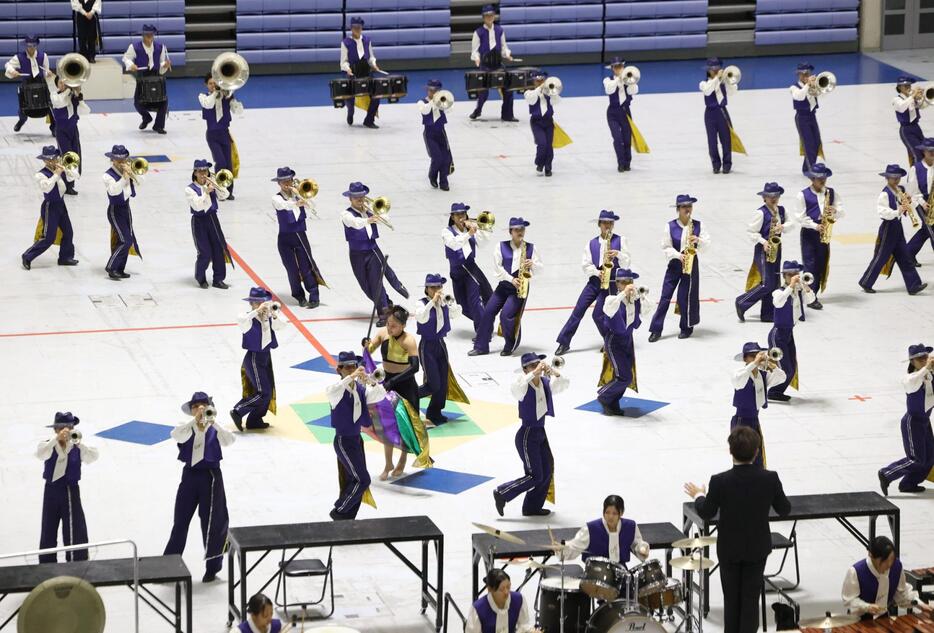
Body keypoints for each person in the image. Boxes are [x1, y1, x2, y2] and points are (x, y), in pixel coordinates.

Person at [684, 426, 791, 633]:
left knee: (731, 602)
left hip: (730, 550)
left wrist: (699, 495)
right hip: (756, 549)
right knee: (750, 602)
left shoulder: (720, 481)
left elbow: (706, 511)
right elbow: (784, 509)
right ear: (757, 452)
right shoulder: (770, 478)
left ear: (730, 451)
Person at [164, 392, 234, 583]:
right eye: (196, 406)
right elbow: (175, 435)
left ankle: (212, 567)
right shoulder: (185, 427)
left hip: (211, 478)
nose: (200, 409)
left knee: (212, 523)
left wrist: (213, 422)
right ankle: (168, 567)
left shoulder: (215, 428)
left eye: (203, 405)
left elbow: (229, 440)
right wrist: (194, 422)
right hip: (190, 477)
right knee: (180, 522)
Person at [493, 353, 568, 517]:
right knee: (534, 475)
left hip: (540, 432)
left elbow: (563, 384)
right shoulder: (523, 386)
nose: (537, 368)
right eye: (532, 366)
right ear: (525, 369)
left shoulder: (545, 383)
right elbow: (516, 388)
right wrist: (533, 374)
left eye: (538, 364)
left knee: (547, 469)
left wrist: (553, 372)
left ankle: (532, 507)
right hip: (527, 435)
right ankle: (502, 492)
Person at [555, 210, 629, 355]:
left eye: (610, 223)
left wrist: (618, 254)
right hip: (594, 281)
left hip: (610, 282)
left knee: (598, 315)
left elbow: (627, 263)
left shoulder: (621, 240)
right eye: (604, 223)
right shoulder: (591, 243)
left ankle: (611, 341)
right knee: (578, 310)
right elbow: (586, 265)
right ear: (599, 224)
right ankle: (564, 342)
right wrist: (597, 272)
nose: (607, 225)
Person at [470, 217, 543, 357]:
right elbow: (497, 269)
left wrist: (532, 264)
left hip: (519, 288)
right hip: (504, 285)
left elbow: (541, 269)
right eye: (516, 229)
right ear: (510, 231)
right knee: (488, 312)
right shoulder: (500, 246)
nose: (520, 232)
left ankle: (510, 344)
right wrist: (511, 279)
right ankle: (481, 346)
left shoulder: (531, 248)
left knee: (506, 316)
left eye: (522, 229)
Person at [326, 352, 385, 521]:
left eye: (354, 365)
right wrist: (352, 376)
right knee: (363, 479)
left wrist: (372, 381)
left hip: (356, 440)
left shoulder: (360, 389)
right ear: (340, 369)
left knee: (355, 478)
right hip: (343, 440)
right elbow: (331, 391)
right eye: (348, 367)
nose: (352, 369)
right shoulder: (336, 391)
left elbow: (380, 394)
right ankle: (340, 510)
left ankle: (349, 514)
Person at [341, 181, 408, 327]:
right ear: (350, 198)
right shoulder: (346, 214)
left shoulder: (370, 209)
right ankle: (387, 303)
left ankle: (384, 313)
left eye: (362, 196)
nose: (360, 200)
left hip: (372, 250)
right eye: (356, 197)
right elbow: (355, 223)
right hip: (356, 253)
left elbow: (387, 219)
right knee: (365, 285)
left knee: (376, 283)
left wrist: (379, 213)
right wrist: (369, 219)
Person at [366, 306, 422, 480]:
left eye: (394, 326)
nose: (390, 328)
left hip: (405, 386)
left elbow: (415, 367)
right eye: (389, 324)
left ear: (403, 326)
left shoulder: (409, 341)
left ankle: (402, 460)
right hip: (387, 384)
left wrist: (393, 382)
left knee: (404, 427)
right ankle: (388, 462)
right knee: (385, 425)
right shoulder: (383, 333)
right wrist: (366, 345)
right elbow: (370, 349)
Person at [37, 411, 98, 563]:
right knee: (48, 528)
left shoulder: (77, 446)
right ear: (55, 430)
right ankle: (46, 563)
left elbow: (92, 457)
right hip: (51, 490)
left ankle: (76, 562)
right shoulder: (48, 444)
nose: (65, 431)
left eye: (68, 427)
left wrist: (78, 443)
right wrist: (56, 440)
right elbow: (40, 454)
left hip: (70, 489)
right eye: (61, 428)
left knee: (74, 528)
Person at [648, 195, 711, 342]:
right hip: (675, 264)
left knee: (685, 297)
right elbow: (665, 246)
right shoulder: (670, 226)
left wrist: (698, 240)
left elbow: (707, 245)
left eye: (689, 206)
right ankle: (656, 329)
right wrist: (678, 255)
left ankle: (686, 327)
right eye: (684, 206)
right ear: (678, 209)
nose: (687, 209)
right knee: (665, 297)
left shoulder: (698, 225)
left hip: (691, 265)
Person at [859, 165, 927, 295]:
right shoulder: (885, 193)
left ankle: (914, 285)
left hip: (898, 227)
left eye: (898, 178)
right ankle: (866, 282)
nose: (896, 180)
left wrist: (909, 203)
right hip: (888, 228)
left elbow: (909, 203)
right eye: (893, 178)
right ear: (887, 178)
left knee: (905, 256)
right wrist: (898, 211)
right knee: (881, 257)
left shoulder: (900, 190)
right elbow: (882, 212)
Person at [878, 344, 934, 495]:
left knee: (930, 458)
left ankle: (908, 483)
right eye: (920, 358)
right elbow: (917, 378)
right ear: (912, 361)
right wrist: (927, 367)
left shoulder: (929, 375)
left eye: (926, 357)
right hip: (913, 422)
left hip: (925, 421)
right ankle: (887, 473)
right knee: (916, 459)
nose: (924, 360)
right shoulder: (910, 379)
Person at [596, 269, 654, 417]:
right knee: (624, 376)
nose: (628, 285)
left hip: (628, 340)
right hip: (614, 341)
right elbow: (609, 309)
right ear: (617, 284)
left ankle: (613, 401)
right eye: (624, 282)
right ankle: (604, 396)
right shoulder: (612, 299)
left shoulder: (634, 300)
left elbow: (648, 312)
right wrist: (623, 294)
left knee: (626, 375)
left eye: (630, 282)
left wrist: (642, 296)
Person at [735, 182, 795, 323]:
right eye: (770, 196)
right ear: (764, 198)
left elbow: (791, 224)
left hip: (776, 248)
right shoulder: (760, 213)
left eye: (776, 196)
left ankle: (767, 314)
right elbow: (751, 232)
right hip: (763, 250)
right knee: (767, 283)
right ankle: (741, 302)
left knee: (774, 283)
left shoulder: (781, 211)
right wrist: (764, 242)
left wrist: (782, 226)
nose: (773, 198)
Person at [230, 287, 287, 431]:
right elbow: (241, 320)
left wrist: (274, 313)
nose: (261, 305)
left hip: (266, 356)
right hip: (254, 358)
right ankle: (238, 410)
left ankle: (255, 419)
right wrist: (257, 311)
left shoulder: (268, 317)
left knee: (268, 390)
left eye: (263, 302)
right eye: (257, 302)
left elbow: (282, 325)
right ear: (252, 304)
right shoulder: (247, 318)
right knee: (263, 392)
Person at [416, 274, 468, 425]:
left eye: (439, 287)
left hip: (440, 344)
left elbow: (457, 313)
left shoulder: (444, 303)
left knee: (443, 382)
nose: (437, 290)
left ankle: (435, 412)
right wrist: (432, 302)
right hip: (427, 346)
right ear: (427, 289)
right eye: (433, 287)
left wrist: (450, 302)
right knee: (433, 384)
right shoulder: (421, 303)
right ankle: (409, 398)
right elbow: (421, 318)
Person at [272, 167, 326, 308]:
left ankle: (314, 296)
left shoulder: (299, 194)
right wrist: (296, 202)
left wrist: (301, 195)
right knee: (292, 269)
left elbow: (313, 207)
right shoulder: (277, 198)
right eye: (283, 181)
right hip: (284, 238)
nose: (287, 183)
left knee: (306, 266)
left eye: (289, 180)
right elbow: (283, 205)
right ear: (279, 183)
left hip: (300, 236)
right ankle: (299, 296)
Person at [842, 536, 931, 617]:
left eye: (891, 559)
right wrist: (867, 607)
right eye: (885, 560)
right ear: (871, 555)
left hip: (883, 618)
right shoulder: (856, 572)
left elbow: (902, 595)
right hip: (859, 621)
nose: (889, 564)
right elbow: (849, 601)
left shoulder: (896, 566)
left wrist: (921, 605)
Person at [21, 146, 79, 271]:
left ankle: (65, 257)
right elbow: (46, 188)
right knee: (48, 237)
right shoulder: (40, 174)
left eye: (53, 158)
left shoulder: (60, 168)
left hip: (61, 205)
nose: (51, 161)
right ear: (44, 161)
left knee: (68, 231)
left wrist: (68, 168)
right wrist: (56, 175)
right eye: (48, 160)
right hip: (50, 206)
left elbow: (75, 177)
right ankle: (27, 256)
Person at [729, 342, 787, 467]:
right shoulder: (739, 373)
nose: (757, 358)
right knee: (742, 459)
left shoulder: (762, 375)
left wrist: (773, 366)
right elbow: (738, 381)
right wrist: (755, 363)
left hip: (755, 420)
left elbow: (782, 377)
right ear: (745, 358)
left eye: (758, 355)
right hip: (741, 422)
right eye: (752, 355)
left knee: (758, 458)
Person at [795, 163, 843, 310]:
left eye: (824, 177)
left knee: (821, 265)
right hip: (809, 233)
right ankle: (810, 297)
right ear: (812, 178)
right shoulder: (803, 194)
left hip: (824, 233)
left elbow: (841, 210)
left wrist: (834, 211)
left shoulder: (831, 193)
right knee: (810, 265)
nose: (822, 180)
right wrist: (816, 226)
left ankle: (809, 292)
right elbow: (800, 217)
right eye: (819, 178)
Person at [766, 261, 814, 403]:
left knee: (792, 368)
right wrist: (791, 286)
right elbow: (778, 302)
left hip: (789, 333)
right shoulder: (779, 292)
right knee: (783, 368)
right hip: (778, 334)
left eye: (795, 274)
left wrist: (805, 287)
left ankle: (776, 392)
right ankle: (768, 389)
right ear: (784, 276)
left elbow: (811, 300)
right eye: (790, 275)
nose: (793, 277)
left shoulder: (798, 292)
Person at [442, 202, 493, 334]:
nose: (461, 217)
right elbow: (454, 244)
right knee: (463, 306)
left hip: (470, 269)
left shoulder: (470, 229)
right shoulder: (447, 232)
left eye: (463, 214)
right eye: (458, 214)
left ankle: (482, 331)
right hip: (456, 271)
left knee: (476, 300)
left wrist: (480, 230)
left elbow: (482, 244)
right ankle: (485, 321)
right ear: (452, 217)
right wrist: (469, 234)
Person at [564, 495, 649, 565]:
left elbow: (637, 544)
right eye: (607, 512)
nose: (610, 517)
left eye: (614, 513)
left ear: (621, 513)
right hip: (594, 573)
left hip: (621, 573)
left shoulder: (630, 526)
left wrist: (642, 548)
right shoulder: (591, 528)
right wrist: (563, 548)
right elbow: (575, 546)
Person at [187, 159, 232, 290]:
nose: (203, 174)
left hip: (213, 219)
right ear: (195, 172)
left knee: (219, 249)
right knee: (204, 252)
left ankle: (218, 279)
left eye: (205, 171)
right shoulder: (189, 189)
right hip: (199, 221)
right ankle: (200, 278)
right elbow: (197, 205)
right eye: (200, 171)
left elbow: (225, 195)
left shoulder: (211, 183)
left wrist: (217, 185)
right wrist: (206, 192)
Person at [469, 5, 517, 122]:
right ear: (483, 18)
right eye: (487, 16)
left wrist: (507, 54)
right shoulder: (478, 32)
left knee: (508, 88)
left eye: (491, 15)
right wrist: (477, 59)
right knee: (483, 93)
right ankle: (478, 110)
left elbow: (504, 47)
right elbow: (474, 51)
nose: (489, 18)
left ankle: (507, 115)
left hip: (498, 65)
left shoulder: (500, 30)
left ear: (494, 16)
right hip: (485, 66)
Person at [103, 144, 143, 280]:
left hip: (126, 208)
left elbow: (140, 183)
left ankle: (120, 269)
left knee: (129, 239)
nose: (121, 163)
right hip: (115, 209)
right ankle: (111, 266)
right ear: (112, 160)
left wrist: (132, 174)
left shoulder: (128, 169)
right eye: (118, 160)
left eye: (123, 160)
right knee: (125, 240)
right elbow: (114, 191)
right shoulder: (107, 175)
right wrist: (124, 178)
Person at [199, 73, 243, 199]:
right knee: (220, 162)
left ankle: (229, 191)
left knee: (228, 164)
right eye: (210, 84)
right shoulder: (203, 97)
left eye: (215, 83)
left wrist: (233, 99)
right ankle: (219, 189)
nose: (213, 86)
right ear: (206, 85)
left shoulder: (227, 96)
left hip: (224, 133)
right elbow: (208, 104)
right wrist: (216, 92)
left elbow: (239, 111)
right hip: (212, 135)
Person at [123, 24, 170, 134]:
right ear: (143, 35)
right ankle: (146, 117)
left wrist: (165, 65)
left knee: (163, 101)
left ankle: (158, 126)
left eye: (151, 34)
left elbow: (162, 63)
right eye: (147, 34)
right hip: (142, 77)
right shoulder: (134, 47)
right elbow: (126, 58)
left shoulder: (160, 47)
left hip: (156, 76)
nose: (149, 36)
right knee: (138, 102)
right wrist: (131, 65)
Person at [47, 74, 88, 195]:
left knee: (75, 155)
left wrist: (77, 90)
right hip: (62, 131)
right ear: (56, 84)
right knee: (66, 156)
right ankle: (64, 183)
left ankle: (71, 184)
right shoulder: (54, 95)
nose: (63, 85)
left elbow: (83, 107)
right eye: (60, 83)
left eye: (65, 82)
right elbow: (60, 103)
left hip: (73, 130)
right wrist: (70, 89)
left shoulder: (71, 94)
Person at [340, 17, 383, 129]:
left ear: (361, 28)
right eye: (354, 27)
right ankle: (350, 110)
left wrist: (374, 64)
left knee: (376, 95)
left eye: (359, 27)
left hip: (366, 72)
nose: (357, 30)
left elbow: (371, 57)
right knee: (350, 96)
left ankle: (369, 120)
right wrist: (347, 69)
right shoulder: (346, 43)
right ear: (351, 28)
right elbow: (343, 61)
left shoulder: (367, 40)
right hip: (353, 72)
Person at [5, 35, 53, 134]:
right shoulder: (19, 57)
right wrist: (12, 71)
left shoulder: (43, 56)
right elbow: (7, 65)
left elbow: (45, 71)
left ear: (36, 46)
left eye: (33, 46)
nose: (31, 48)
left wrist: (48, 73)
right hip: (26, 85)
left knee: (51, 106)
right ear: (26, 46)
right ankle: (22, 120)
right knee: (23, 107)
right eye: (29, 46)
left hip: (41, 83)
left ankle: (54, 127)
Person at [465, 569, 539, 633]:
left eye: (508, 587)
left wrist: (531, 631)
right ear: (490, 589)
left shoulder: (519, 599)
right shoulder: (478, 608)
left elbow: (524, 626)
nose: (506, 592)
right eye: (502, 589)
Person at [700, 57, 738, 174]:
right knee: (712, 142)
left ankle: (727, 164)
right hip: (710, 113)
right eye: (713, 69)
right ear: (708, 70)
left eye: (717, 69)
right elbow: (708, 90)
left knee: (726, 140)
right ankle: (715, 164)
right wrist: (717, 78)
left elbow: (733, 92)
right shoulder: (704, 83)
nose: (715, 71)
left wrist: (728, 81)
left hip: (722, 112)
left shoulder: (723, 82)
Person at [604, 58, 639, 173]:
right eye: (616, 67)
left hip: (625, 112)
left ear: (623, 67)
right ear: (612, 69)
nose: (618, 69)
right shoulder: (607, 80)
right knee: (617, 138)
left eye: (620, 66)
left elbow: (634, 91)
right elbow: (609, 90)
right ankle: (620, 163)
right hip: (613, 113)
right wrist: (618, 79)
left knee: (627, 139)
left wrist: (629, 81)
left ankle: (627, 162)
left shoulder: (628, 80)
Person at [790, 62, 825, 175]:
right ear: (799, 75)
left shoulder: (811, 85)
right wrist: (807, 85)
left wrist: (816, 85)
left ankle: (807, 166)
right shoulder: (794, 87)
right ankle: (811, 169)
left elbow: (822, 94)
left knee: (816, 142)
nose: (806, 76)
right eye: (804, 74)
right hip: (802, 117)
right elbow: (799, 96)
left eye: (808, 73)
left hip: (812, 116)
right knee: (808, 143)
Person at [419, 79, 453, 190]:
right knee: (437, 157)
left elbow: (450, 110)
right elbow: (424, 111)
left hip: (441, 132)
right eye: (430, 90)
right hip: (429, 133)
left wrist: (441, 101)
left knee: (446, 158)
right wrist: (433, 101)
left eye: (435, 90)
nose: (432, 92)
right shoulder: (422, 102)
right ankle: (432, 176)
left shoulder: (441, 102)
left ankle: (444, 182)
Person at [525, 71, 558, 177]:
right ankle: (539, 163)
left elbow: (557, 101)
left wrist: (552, 93)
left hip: (548, 121)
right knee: (542, 144)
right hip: (537, 122)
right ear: (534, 82)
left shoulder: (549, 92)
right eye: (537, 81)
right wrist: (540, 88)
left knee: (549, 146)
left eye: (542, 81)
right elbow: (531, 100)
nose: (539, 83)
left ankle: (548, 167)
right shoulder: (529, 92)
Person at [906, 137, 934, 261]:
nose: (932, 152)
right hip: (923, 201)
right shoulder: (916, 169)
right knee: (931, 229)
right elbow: (913, 191)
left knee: (926, 230)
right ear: (924, 152)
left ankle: (908, 254)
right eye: (929, 150)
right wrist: (923, 203)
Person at [893, 77, 928, 167]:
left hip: (916, 127)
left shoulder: (911, 98)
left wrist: (923, 97)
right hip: (906, 129)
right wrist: (913, 96)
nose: (908, 87)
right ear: (899, 87)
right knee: (917, 154)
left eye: (909, 85)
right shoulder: (897, 99)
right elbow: (902, 107)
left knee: (925, 151)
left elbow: (922, 106)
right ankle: (917, 174)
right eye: (905, 86)